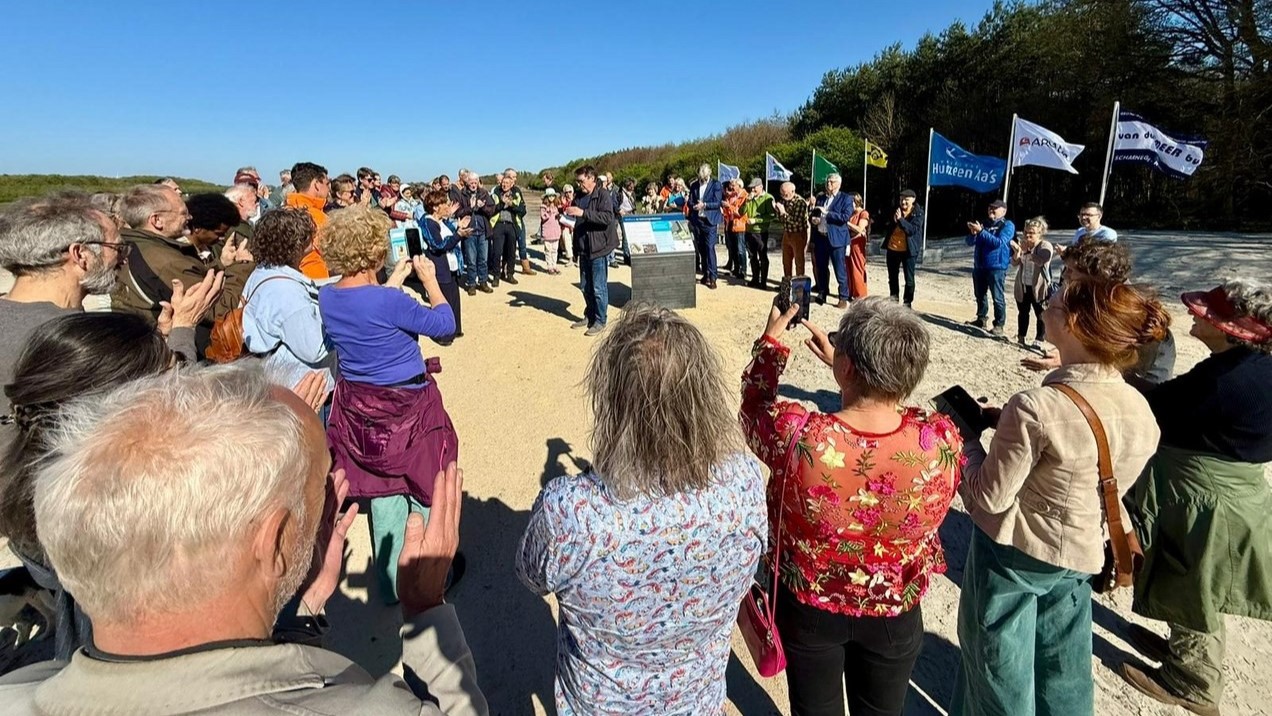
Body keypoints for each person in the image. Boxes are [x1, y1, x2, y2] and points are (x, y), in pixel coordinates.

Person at [0, 363, 488, 715]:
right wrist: (425, 607)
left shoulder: (17, 690)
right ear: (273, 543)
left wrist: (303, 609)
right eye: (322, 483)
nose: (331, 499)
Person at [518, 303, 766, 714]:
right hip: (698, 703)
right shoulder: (743, 484)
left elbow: (530, 576)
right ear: (703, 396)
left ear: (611, 398)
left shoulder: (570, 513)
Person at [952, 278, 1170, 716]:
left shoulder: (1036, 406)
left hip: (1016, 554)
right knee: (1064, 662)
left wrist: (965, 443)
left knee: (999, 666)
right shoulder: (1141, 408)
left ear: (1071, 324)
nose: (1042, 306)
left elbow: (989, 498)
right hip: (1083, 548)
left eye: (1050, 303)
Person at [740, 296, 961, 716]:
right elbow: (899, 414)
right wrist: (853, 376)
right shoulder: (940, 439)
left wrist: (771, 343)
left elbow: (753, 408)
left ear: (846, 368)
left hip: (809, 604)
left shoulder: (799, 436)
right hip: (894, 608)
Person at [1119, 279, 1272, 716]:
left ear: (1232, 330)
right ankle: (1182, 649)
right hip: (1231, 491)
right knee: (1199, 579)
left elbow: (1158, 406)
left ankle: (1192, 681)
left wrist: (1111, 370)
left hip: (1207, 499)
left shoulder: (1228, 381)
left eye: (1207, 314)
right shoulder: (1251, 366)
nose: (1193, 313)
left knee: (1192, 582)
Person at [0, 313, 182, 662]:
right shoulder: (133, 516)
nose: (183, 390)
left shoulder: (36, 487)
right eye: (168, 380)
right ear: (120, 411)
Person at [317, 206, 457, 604]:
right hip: (408, 406)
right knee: (426, 483)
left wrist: (392, 282)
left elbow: (366, 306)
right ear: (375, 252)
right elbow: (444, 327)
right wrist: (430, 282)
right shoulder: (390, 302)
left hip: (360, 406)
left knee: (382, 489)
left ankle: (390, 580)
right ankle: (426, 575)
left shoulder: (328, 296)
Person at [113, 185, 253, 356]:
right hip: (174, 351)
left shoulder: (136, 245)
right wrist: (243, 265)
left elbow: (191, 276)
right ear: (157, 220)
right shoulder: (165, 261)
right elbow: (218, 308)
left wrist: (221, 264)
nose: (190, 217)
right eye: (183, 213)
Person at [1019, 240, 1177, 385]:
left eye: (1071, 270)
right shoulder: (1093, 299)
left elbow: (1115, 350)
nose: (1065, 275)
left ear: (1098, 275)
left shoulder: (1124, 308)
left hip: (1143, 378)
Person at [241, 207, 334, 399]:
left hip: (275, 384)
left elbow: (311, 285)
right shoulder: (287, 294)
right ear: (295, 244)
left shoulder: (263, 272)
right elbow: (315, 349)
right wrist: (346, 324)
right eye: (307, 236)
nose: (312, 240)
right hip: (302, 390)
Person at [563, 165, 619, 336]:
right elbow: (577, 217)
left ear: (592, 178)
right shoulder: (579, 196)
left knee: (598, 288)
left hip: (599, 248)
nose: (579, 184)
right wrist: (567, 216)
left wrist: (583, 213)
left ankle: (600, 320)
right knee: (585, 286)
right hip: (584, 247)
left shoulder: (603, 195)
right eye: (577, 181)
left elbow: (607, 218)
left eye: (581, 181)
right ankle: (590, 315)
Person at [421, 189, 469, 341]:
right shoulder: (428, 222)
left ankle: (455, 329)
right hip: (440, 267)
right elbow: (438, 245)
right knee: (443, 301)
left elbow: (448, 233)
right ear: (435, 207)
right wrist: (458, 235)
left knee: (454, 298)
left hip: (451, 266)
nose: (447, 206)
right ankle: (444, 335)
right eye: (444, 204)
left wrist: (458, 227)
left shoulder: (440, 221)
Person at [965, 199, 1015, 336]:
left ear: (1003, 211)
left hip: (997, 266)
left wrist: (981, 231)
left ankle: (999, 324)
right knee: (980, 294)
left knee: (997, 297)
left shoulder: (1007, 225)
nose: (991, 210)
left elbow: (998, 242)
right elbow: (969, 242)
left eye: (995, 208)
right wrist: (973, 233)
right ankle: (981, 318)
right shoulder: (984, 223)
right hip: (980, 266)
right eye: (990, 208)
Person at [1010, 216, 1055, 348]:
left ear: (1040, 233)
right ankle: (1021, 337)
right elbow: (1014, 263)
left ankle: (1039, 339)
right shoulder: (1024, 244)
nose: (1027, 235)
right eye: (1025, 232)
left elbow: (1041, 261)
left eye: (1032, 233)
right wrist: (1017, 252)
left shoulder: (1045, 245)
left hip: (1039, 287)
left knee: (1041, 314)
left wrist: (1027, 252)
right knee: (1023, 312)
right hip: (1023, 285)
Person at [810, 173, 853, 308]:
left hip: (837, 240)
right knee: (821, 267)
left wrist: (827, 213)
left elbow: (845, 217)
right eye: (827, 181)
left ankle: (843, 297)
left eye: (832, 182)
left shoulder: (845, 198)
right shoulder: (821, 198)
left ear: (839, 184)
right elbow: (815, 214)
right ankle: (822, 292)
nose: (829, 184)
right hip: (821, 237)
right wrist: (814, 219)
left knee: (840, 270)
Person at [283, 161, 332, 279]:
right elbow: (334, 254)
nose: (329, 188)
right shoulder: (318, 218)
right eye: (327, 183)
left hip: (288, 279)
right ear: (316, 184)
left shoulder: (283, 213)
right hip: (315, 279)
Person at [880, 189, 923, 308]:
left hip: (909, 250)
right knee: (892, 277)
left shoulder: (918, 213)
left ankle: (907, 303)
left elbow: (912, 230)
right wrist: (893, 221)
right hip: (892, 248)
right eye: (901, 199)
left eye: (906, 200)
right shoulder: (895, 210)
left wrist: (900, 220)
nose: (903, 202)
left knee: (909, 279)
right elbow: (885, 224)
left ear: (913, 200)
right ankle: (893, 301)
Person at [456, 172, 496, 293]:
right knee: (471, 260)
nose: (473, 185)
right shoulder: (462, 194)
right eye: (471, 183)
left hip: (483, 231)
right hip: (469, 231)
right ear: (467, 183)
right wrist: (471, 208)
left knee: (483, 259)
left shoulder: (484, 193)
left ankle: (483, 282)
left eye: (475, 182)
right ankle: (471, 283)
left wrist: (483, 207)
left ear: (478, 182)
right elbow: (458, 212)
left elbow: (492, 210)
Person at [687, 164, 723, 289]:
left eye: (705, 177)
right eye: (701, 178)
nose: (703, 180)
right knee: (701, 248)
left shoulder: (716, 185)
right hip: (698, 220)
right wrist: (694, 206)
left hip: (710, 221)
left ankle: (713, 277)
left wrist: (705, 205)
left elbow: (717, 203)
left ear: (709, 174)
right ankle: (705, 273)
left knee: (709, 248)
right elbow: (690, 201)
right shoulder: (694, 185)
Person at [489, 173, 525, 284]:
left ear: (511, 184)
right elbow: (490, 210)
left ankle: (510, 274)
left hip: (512, 225)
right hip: (498, 225)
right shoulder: (495, 193)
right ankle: (496, 276)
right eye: (503, 183)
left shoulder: (516, 194)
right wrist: (502, 204)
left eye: (507, 183)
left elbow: (523, 211)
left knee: (511, 252)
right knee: (497, 252)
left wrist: (511, 204)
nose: (504, 185)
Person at [743, 177, 776, 289]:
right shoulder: (749, 198)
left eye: (754, 188)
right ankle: (755, 279)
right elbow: (741, 212)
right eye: (751, 188)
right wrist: (746, 202)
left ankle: (763, 282)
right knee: (752, 256)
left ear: (761, 187)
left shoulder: (768, 198)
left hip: (761, 232)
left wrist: (756, 220)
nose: (752, 190)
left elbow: (771, 216)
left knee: (762, 256)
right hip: (749, 231)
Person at [774, 181, 810, 278]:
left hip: (798, 233)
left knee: (799, 260)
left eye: (785, 194)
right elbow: (781, 220)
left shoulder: (800, 202)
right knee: (786, 260)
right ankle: (787, 280)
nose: (783, 196)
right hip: (787, 233)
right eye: (781, 194)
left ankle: (799, 282)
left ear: (793, 192)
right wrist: (777, 211)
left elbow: (796, 221)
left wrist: (783, 212)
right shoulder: (784, 201)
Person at [722, 178, 748, 279]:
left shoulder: (744, 196)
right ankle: (736, 269)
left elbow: (740, 212)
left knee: (740, 249)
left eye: (733, 185)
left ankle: (743, 270)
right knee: (733, 248)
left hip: (740, 225)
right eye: (730, 185)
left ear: (739, 186)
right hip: (730, 223)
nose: (731, 187)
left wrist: (729, 206)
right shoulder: (732, 195)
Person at [846, 192, 870, 300]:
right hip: (848, 243)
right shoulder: (850, 213)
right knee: (848, 268)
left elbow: (860, 229)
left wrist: (847, 223)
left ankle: (860, 294)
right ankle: (850, 291)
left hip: (857, 243)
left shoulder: (863, 213)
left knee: (857, 267)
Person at [539, 188, 564, 274]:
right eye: (549, 196)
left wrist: (559, 214)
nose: (551, 197)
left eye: (553, 196)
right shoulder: (543, 207)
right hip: (547, 231)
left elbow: (560, 216)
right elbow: (543, 217)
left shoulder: (557, 206)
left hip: (556, 231)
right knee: (548, 250)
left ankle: (554, 265)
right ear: (546, 197)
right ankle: (549, 266)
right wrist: (549, 212)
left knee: (555, 249)